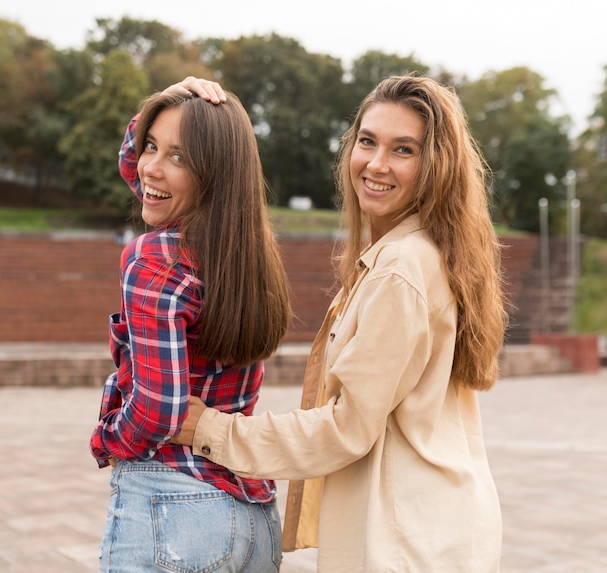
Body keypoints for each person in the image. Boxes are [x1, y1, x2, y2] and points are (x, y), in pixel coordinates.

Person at [173, 74, 509, 572]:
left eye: (403, 150)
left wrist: (211, 429)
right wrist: (173, 106)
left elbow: (346, 429)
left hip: (406, 543)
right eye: (367, 141)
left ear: (435, 166)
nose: (376, 164)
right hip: (439, 529)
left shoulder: (401, 269)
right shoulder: (422, 255)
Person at [89, 77, 290, 573]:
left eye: (178, 156)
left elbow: (159, 409)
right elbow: (146, 178)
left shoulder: (154, 258)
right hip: (254, 516)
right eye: (150, 146)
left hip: (172, 505)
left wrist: (108, 440)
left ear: (212, 174)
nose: (149, 166)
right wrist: (171, 100)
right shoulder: (246, 255)